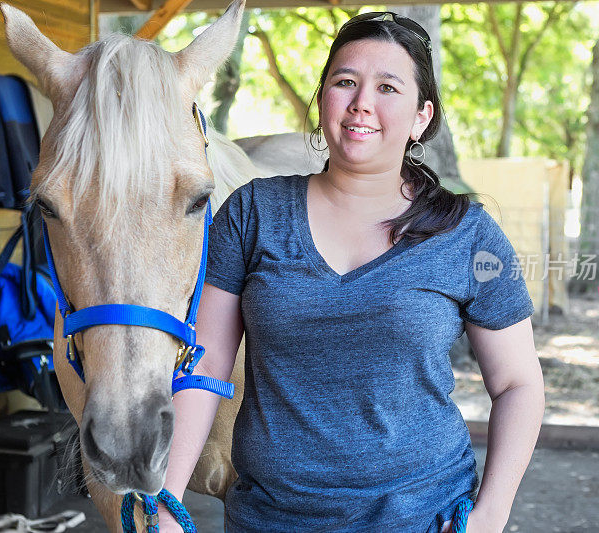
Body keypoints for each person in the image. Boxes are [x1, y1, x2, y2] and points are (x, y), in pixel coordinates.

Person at [159, 11, 544, 533]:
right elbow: (203, 369)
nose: (362, 101)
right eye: (345, 82)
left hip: (425, 520)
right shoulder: (253, 214)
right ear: (322, 100)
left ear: (421, 117)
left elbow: (518, 383)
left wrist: (491, 515)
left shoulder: (467, 234)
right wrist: (167, 499)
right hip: (270, 520)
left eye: (388, 87)